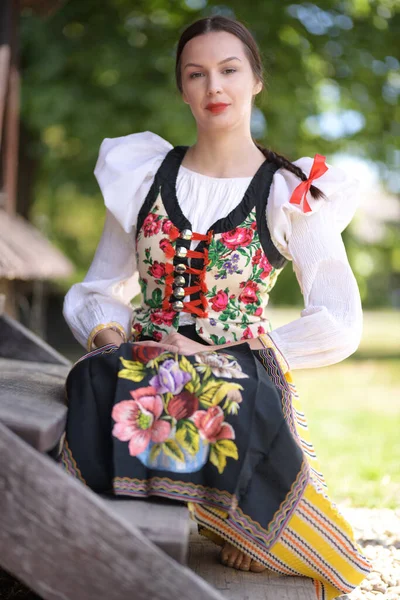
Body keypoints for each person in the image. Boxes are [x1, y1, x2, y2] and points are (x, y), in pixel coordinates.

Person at [61, 15, 370, 600]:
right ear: (182, 88)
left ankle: (253, 527)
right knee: (99, 377)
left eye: (229, 70)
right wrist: (111, 340)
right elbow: (101, 288)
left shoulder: (287, 191)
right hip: (139, 364)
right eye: (196, 74)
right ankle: (210, 516)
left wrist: (218, 349)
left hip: (237, 372)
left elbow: (340, 318)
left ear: (256, 80)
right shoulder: (145, 174)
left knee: (213, 395)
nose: (214, 88)